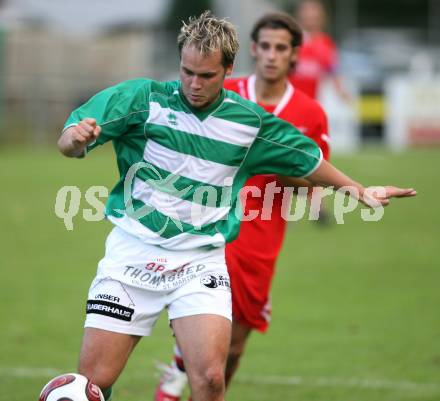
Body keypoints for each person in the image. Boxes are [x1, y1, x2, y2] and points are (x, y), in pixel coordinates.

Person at [57, 11, 415, 401]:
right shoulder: (142, 99)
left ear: (228, 69)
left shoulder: (248, 123)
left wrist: (358, 190)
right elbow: (71, 141)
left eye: (206, 75)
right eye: (187, 71)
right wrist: (76, 140)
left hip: (200, 262)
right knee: (92, 383)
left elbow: (307, 162)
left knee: (210, 379)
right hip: (132, 253)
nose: (194, 84)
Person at [153, 12, 329, 401]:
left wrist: (280, 168)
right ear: (252, 49)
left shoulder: (309, 114)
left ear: (294, 54)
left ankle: (196, 378)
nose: (270, 55)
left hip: (263, 235)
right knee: (202, 314)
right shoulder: (223, 91)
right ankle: (175, 375)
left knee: (234, 344)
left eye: (280, 48)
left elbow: (314, 178)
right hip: (210, 224)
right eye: (264, 46)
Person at [289, 0, 350, 101]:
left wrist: (341, 90)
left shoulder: (326, 43)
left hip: (311, 100)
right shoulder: (291, 39)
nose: (309, 14)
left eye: (313, 10)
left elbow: (333, 69)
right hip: (289, 97)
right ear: (300, 15)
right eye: (306, 10)